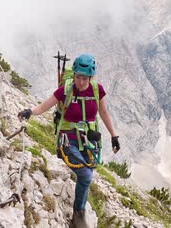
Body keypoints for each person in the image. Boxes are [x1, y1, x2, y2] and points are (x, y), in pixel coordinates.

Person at [17, 53, 120, 228]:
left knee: (87, 175)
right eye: (78, 77)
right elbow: (44, 106)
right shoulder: (65, 90)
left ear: (90, 77)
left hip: (89, 141)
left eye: (85, 78)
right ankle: (78, 215)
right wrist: (30, 111)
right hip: (67, 140)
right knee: (86, 175)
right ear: (74, 75)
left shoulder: (97, 90)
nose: (81, 82)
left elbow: (103, 113)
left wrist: (114, 136)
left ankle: (79, 212)